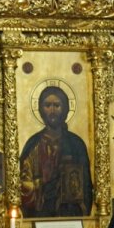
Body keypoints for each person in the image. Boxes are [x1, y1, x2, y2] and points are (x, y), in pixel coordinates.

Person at [19, 85, 94, 216]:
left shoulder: (76, 144)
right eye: (47, 105)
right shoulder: (33, 144)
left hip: (70, 215)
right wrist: (40, 186)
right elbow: (23, 184)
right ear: (41, 110)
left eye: (57, 105)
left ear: (65, 109)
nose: (52, 110)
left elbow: (86, 186)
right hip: (40, 215)